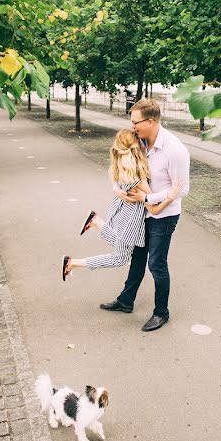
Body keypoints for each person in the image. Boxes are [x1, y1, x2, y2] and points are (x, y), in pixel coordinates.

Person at [100, 98, 190, 332]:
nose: (132, 127)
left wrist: (148, 199)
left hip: (164, 216)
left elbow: (182, 189)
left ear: (150, 121)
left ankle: (162, 313)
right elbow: (118, 167)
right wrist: (118, 190)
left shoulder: (175, 149)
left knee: (156, 264)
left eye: (135, 122)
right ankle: (125, 301)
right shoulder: (138, 141)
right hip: (141, 212)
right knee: (137, 258)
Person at [62, 129, 180, 278]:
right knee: (120, 258)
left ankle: (95, 221)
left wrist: (116, 189)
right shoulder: (138, 179)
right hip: (130, 223)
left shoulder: (119, 167)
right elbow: (154, 210)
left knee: (122, 248)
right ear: (137, 149)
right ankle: (72, 262)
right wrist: (170, 197)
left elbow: (113, 177)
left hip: (121, 215)